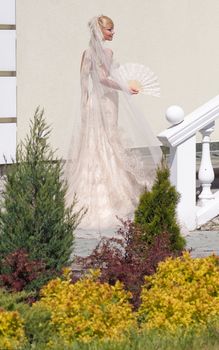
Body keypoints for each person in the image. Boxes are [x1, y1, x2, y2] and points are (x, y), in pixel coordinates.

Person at [65, 15, 161, 234]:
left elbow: (83, 83)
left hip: (92, 104)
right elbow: (103, 78)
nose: (113, 33)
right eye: (110, 30)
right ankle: (111, 195)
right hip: (105, 103)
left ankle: (86, 196)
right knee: (106, 142)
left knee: (92, 146)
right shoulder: (106, 53)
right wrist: (125, 87)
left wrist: (83, 106)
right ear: (101, 31)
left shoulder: (86, 53)